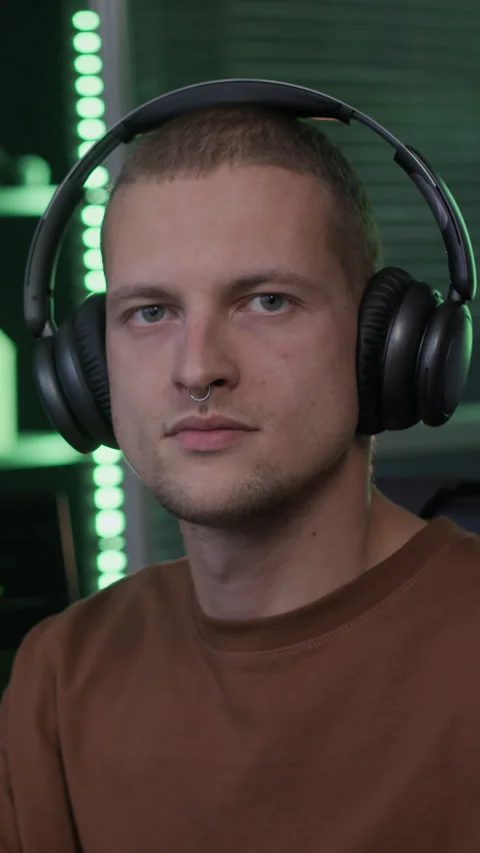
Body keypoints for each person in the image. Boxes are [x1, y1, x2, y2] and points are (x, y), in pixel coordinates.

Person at [1, 103, 480, 852]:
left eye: (266, 301)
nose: (198, 368)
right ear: (87, 373)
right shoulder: (59, 676)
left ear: (384, 344)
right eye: (151, 311)